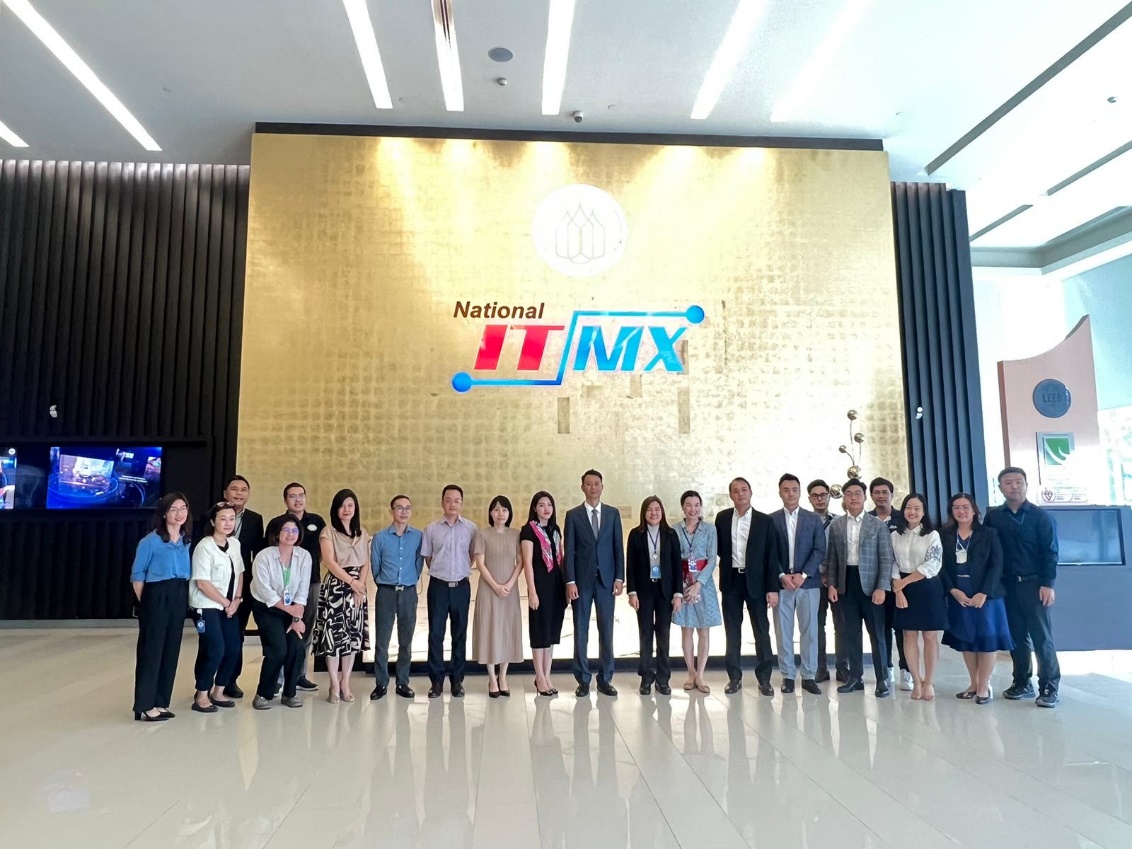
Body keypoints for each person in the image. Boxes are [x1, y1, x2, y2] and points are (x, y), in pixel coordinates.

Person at [985, 467, 1061, 708]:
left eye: (1018, 481)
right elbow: (990, 551)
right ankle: (1021, 682)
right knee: (1016, 636)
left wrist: (1048, 584)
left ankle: (1049, 685)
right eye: (1008, 482)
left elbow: (1050, 552)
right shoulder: (994, 517)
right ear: (1000, 488)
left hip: (1035, 584)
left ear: (1026, 485)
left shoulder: (1041, 517)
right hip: (1007, 586)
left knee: (1041, 636)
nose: (1014, 486)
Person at [822, 478, 894, 697]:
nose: (853, 497)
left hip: (872, 585)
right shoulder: (836, 525)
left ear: (865, 497)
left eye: (857, 494)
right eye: (849, 494)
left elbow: (886, 558)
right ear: (844, 498)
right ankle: (855, 677)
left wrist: (882, 587)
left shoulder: (877, 525)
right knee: (851, 633)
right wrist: (832, 584)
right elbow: (832, 558)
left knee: (877, 634)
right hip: (846, 583)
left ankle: (882, 679)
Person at [940, 493, 1013, 705]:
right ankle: (973, 683)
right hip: (959, 593)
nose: (961, 511)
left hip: (986, 594)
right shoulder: (944, 534)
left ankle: (983, 686)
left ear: (974, 510)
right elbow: (939, 565)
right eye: (956, 507)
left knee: (987, 640)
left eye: (965, 507)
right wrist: (952, 590)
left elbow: (997, 564)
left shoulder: (989, 533)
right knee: (966, 639)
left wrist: (984, 592)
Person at [716, 477, 782, 696]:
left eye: (744, 490)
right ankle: (734, 677)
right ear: (731, 495)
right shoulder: (722, 518)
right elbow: (719, 549)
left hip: (757, 582)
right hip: (731, 580)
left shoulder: (765, 521)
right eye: (735, 491)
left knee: (761, 630)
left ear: (751, 492)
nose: (740, 494)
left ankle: (764, 679)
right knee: (732, 630)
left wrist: (772, 588)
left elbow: (772, 556)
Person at [130, 492, 192, 721]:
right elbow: (138, 575)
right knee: (152, 651)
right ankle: (145, 704)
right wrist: (147, 602)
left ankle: (161, 700)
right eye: (173, 509)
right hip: (156, 594)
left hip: (179, 593)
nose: (179, 513)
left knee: (170, 649)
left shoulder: (186, 540)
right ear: (164, 513)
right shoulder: (151, 541)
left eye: (183, 508)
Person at [564, 469, 625, 698]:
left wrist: (619, 577)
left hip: (606, 581)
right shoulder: (573, 515)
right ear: (582, 487)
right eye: (588, 484)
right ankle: (583, 679)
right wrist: (570, 580)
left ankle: (605, 678)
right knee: (581, 630)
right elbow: (569, 551)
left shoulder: (612, 514)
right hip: (581, 582)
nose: (593, 487)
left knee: (607, 630)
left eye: (597, 483)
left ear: (602, 486)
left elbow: (618, 547)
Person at [421, 484, 482, 699]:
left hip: (461, 587)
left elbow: (472, 555)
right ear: (442, 502)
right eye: (448, 500)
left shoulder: (471, 528)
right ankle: (436, 681)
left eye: (457, 500)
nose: (452, 504)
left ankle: (457, 681)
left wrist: (459, 571)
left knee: (459, 634)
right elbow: (428, 558)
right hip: (438, 587)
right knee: (435, 635)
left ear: (462, 503)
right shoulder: (431, 529)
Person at [313, 489, 370, 704]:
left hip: (357, 589)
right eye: (342, 505)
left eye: (350, 505)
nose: (346, 509)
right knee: (334, 638)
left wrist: (360, 586)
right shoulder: (328, 532)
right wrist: (352, 583)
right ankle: (334, 685)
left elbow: (366, 562)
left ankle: (345, 682)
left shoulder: (362, 533)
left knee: (351, 638)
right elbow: (330, 562)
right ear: (335, 509)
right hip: (336, 587)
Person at [770, 474, 827, 695]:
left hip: (808, 583)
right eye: (786, 490)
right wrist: (781, 575)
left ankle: (809, 676)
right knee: (783, 631)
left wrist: (803, 574)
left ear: (800, 492)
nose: (791, 493)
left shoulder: (813, 519)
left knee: (810, 630)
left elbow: (819, 549)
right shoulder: (771, 520)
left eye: (794, 489)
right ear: (780, 493)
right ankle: (788, 676)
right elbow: (769, 552)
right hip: (782, 583)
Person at [250, 514, 311, 709]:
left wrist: (297, 617)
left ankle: (289, 693)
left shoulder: (304, 556)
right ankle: (263, 694)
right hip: (267, 608)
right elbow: (265, 591)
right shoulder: (264, 556)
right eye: (286, 530)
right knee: (277, 650)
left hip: (292, 608)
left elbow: (303, 589)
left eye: (295, 530)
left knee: (297, 647)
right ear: (277, 534)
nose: (291, 534)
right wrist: (290, 610)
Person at [889, 493, 946, 700]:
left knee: (930, 636)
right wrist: (898, 589)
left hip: (927, 586)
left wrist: (903, 583)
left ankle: (929, 682)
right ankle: (916, 680)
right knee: (909, 635)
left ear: (923, 512)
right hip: (902, 588)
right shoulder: (895, 535)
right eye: (908, 507)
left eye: (917, 508)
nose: (912, 512)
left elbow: (933, 564)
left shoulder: (932, 535)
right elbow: (892, 562)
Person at [188, 501, 243, 713]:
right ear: (213, 522)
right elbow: (202, 583)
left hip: (229, 605)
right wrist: (226, 602)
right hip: (207, 605)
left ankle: (218, 691)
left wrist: (237, 599)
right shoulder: (204, 546)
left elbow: (240, 572)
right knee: (215, 649)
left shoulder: (234, 544)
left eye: (232, 519)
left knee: (233, 648)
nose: (228, 523)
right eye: (223, 519)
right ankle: (201, 694)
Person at [271, 482, 326, 692]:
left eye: (301, 495)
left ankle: (299, 675)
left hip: (311, 582)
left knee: (306, 629)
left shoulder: (317, 521)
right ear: (285, 500)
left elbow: (322, 552)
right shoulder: (277, 523)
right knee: (282, 630)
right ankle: (278, 678)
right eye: (292, 496)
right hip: (282, 585)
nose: (298, 499)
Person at [626, 496, 683, 696]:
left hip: (665, 590)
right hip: (644, 591)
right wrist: (632, 592)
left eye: (657, 509)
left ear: (662, 512)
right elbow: (630, 565)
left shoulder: (671, 534)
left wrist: (678, 593)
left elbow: (677, 565)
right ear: (644, 512)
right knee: (645, 634)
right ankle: (646, 678)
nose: (654, 513)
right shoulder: (636, 534)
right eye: (649, 509)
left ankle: (663, 679)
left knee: (664, 635)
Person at [369, 494, 424, 700]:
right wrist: (385, 584)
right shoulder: (380, 537)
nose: (403, 511)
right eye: (399, 507)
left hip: (408, 592)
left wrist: (409, 581)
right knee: (382, 641)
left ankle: (402, 682)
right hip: (386, 592)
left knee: (406, 641)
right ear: (391, 511)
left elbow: (419, 564)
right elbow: (375, 566)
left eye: (407, 508)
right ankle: (381, 683)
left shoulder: (418, 536)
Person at [472, 495, 524, 697]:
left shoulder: (516, 534)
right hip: (488, 590)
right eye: (496, 509)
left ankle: (503, 676)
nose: (500, 513)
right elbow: (480, 563)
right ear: (490, 513)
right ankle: (492, 678)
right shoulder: (482, 534)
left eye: (504, 509)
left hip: (509, 590)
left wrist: (509, 584)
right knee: (489, 629)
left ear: (509, 513)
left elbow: (520, 561)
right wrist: (495, 586)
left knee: (507, 630)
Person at [218, 474, 264, 700]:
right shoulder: (213, 515)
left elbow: (258, 554)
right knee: (215, 636)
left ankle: (230, 680)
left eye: (243, 489)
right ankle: (206, 682)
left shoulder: (255, 519)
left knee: (237, 634)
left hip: (242, 586)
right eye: (234, 489)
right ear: (225, 493)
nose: (239, 493)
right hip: (215, 585)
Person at [671, 490, 721, 693]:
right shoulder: (674, 530)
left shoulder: (710, 529)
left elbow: (712, 559)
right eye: (689, 505)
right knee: (687, 628)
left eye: (697, 505)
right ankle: (690, 672)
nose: (693, 509)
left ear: (701, 507)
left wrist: (698, 583)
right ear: (683, 507)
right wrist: (682, 584)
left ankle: (700, 675)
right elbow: (672, 559)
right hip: (682, 583)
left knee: (703, 629)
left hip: (704, 584)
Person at [521, 491, 568, 697]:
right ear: (534, 508)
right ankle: (539, 676)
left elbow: (561, 560)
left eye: (549, 504)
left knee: (551, 634)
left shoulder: (555, 529)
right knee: (539, 633)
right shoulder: (528, 530)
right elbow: (527, 563)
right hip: (540, 586)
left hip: (556, 586)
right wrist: (531, 590)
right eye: (541, 505)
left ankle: (547, 675)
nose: (546, 508)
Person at [869, 476, 910, 692]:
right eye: (877, 492)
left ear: (892, 495)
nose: (881, 496)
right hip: (877, 583)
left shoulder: (903, 518)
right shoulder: (867, 519)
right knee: (881, 628)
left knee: (902, 628)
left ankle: (907, 669)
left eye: (885, 492)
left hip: (901, 582)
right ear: (871, 496)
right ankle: (887, 668)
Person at [807, 479, 842, 683]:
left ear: (829, 496)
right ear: (809, 498)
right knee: (817, 626)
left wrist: (833, 576)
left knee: (842, 625)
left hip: (838, 581)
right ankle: (820, 668)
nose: (820, 499)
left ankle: (843, 667)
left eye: (823, 495)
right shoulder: (805, 521)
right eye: (815, 495)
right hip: (814, 580)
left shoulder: (840, 521)